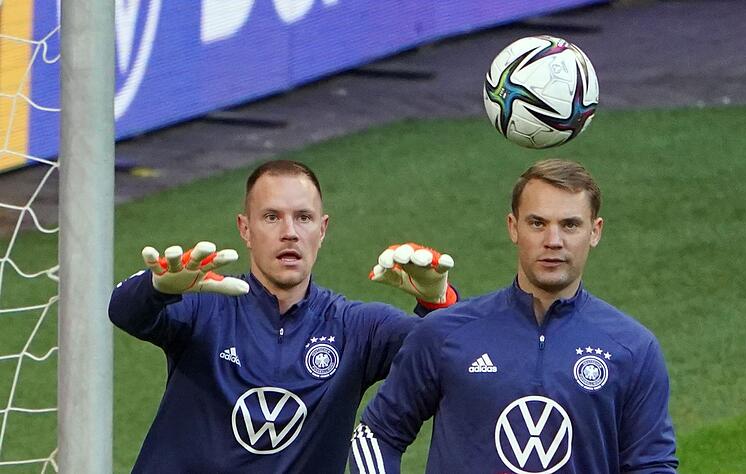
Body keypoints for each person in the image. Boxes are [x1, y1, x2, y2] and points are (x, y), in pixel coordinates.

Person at [108, 159, 457, 473]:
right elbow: (124, 312)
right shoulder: (205, 305)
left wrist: (436, 303)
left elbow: (456, 360)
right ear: (245, 229)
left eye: (303, 218)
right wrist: (158, 288)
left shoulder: (357, 328)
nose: (289, 232)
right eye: (272, 217)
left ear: (322, 230)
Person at [350, 158, 678, 473]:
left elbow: (652, 466)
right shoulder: (444, 333)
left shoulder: (633, 349)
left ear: (595, 231)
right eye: (537, 223)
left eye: (570, 225)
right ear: (513, 227)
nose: (553, 241)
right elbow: (376, 435)